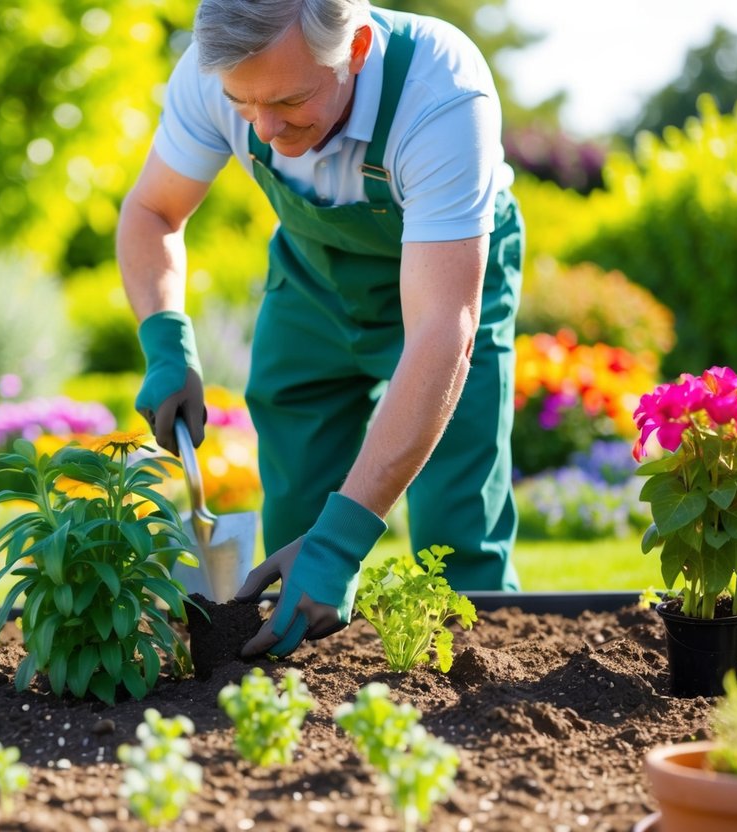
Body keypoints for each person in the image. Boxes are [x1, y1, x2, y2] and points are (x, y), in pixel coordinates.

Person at [118, 0, 523, 659]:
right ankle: (291, 683)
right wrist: (165, 341)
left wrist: (345, 537)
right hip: (312, 275)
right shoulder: (209, 75)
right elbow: (151, 211)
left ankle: (478, 695)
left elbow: (440, 330)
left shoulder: (439, 92)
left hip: (445, 278)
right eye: (243, 105)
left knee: (456, 514)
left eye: (288, 99)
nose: (266, 128)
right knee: (297, 505)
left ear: (355, 48)